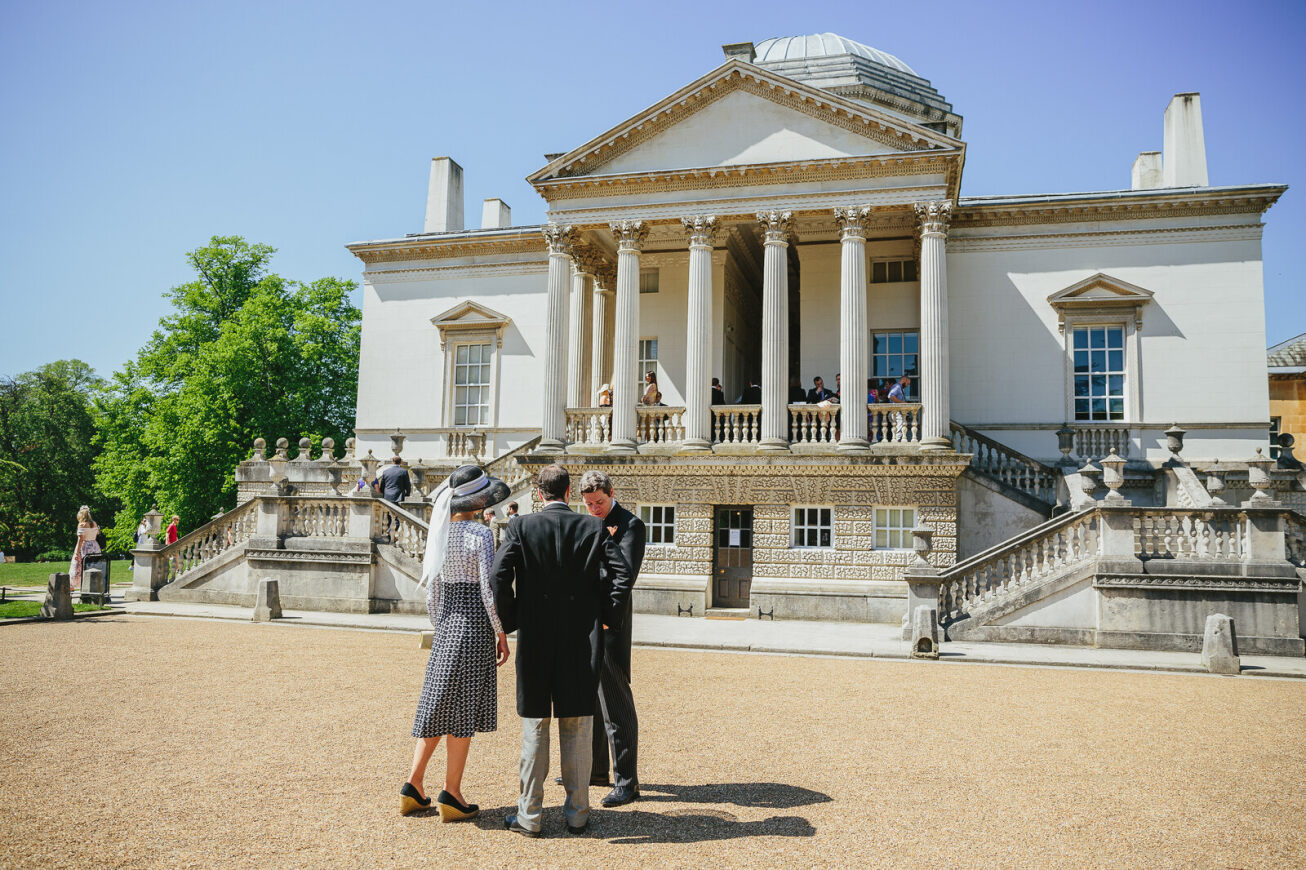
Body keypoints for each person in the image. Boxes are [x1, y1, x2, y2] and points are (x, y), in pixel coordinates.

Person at [492, 464, 634, 838]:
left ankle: (530, 815)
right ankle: (578, 814)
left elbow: (497, 575)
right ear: (569, 491)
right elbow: (621, 574)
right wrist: (607, 616)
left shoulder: (521, 526)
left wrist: (512, 618)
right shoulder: (592, 527)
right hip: (580, 639)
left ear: (540, 494)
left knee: (535, 724)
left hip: (536, 638)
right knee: (577, 724)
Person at [402, 464, 511, 820]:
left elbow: (432, 592)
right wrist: (500, 631)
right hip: (475, 625)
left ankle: (414, 784)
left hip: (447, 622)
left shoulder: (440, 533)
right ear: (478, 501)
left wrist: (443, 626)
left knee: (437, 704)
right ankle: (452, 793)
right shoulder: (480, 534)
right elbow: (487, 590)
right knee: (462, 710)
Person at [578, 470, 646, 808]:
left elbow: (624, 576)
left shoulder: (631, 525)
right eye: (589, 504)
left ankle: (627, 782)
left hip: (610, 623)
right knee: (589, 699)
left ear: (612, 493)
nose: (595, 509)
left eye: (599, 502)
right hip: (585, 621)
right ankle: (595, 770)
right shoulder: (587, 522)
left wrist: (607, 618)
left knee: (616, 702)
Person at [69, 506, 102, 589]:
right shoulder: (94, 523)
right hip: (94, 546)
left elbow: (80, 540)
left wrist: (77, 553)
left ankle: (73, 585)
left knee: (78, 566)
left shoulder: (82, 525)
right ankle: (93, 584)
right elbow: (97, 534)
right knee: (93, 566)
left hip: (85, 546)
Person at [888, 375, 911, 441]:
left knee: (898, 427)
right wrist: (902, 403)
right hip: (896, 411)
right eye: (907, 383)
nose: (907, 385)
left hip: (896, 411)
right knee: (900, 425)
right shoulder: (897, 386)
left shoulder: (900, 388)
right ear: (904, 380)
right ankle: (897, 441)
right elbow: (891, 396)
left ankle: (896, 440)